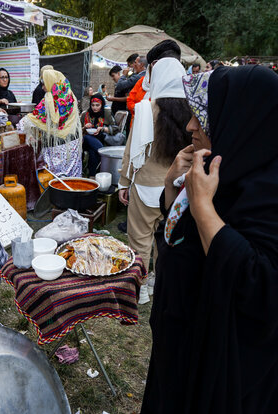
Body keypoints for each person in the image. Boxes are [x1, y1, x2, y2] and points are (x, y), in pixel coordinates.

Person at [142, 65, 278, 413]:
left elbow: (262, 290)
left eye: (202, 118)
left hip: (237, 382)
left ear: (244, 119)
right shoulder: (231, 169)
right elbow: (181, 240)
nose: (191, 126)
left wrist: (203, 206)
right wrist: (173, 191)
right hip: (189, 350)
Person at [118, 56, 191, 304]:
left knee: (140, 239)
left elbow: (132, 150)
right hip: (178, 190)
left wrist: (123, 182)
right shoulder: (193, 110)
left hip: (146, 186)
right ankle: (160, 283)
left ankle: (140, 289)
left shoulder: (145, 108)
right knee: (166, 239)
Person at [24, 69, 83, 177]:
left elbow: (32, 120)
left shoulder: (49, 99)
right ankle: (75, 192)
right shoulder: (69, 93)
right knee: (73, 176)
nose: (42, 87)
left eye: (44, 83)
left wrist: (21, 123)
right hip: (73, 142)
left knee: (57, 179)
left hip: (57, 146)